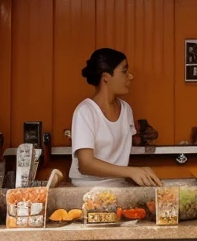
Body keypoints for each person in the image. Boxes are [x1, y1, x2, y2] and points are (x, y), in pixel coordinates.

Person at [69, 48, 162, 186]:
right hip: (86, 190)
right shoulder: (85, 111)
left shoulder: (126, 110)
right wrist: (130, 172)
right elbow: (86, 164)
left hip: (118, 188)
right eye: (124, 71)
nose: (130, 76)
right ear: (106, 77)